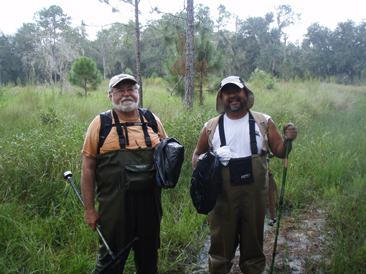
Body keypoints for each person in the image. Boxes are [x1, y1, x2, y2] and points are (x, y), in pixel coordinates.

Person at [192, 76, 298, 274]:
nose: (232, 96)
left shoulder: (264, 121)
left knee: (253, 245)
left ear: (245, 94)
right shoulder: (211, 127)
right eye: (227, 92)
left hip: (255, 198)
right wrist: (209, 162)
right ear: (221, 97)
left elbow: (281, 151)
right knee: (220, 247)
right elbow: (197, 156)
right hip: (222, 199)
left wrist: (289, 140)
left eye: (237, 91)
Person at [81, 74, 167, 274]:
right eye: (120, 90)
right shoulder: (100, 124)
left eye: (131, 89)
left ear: (138, 92)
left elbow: (167, 156)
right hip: (114, 210)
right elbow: (88, 168)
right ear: (110, 95)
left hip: (149, 207)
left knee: (149, 258)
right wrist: (89, 209)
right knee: (110, 261)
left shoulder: (152, 120)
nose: (126, 94)